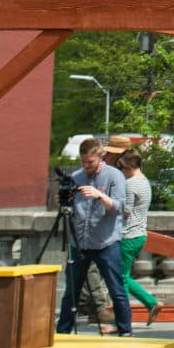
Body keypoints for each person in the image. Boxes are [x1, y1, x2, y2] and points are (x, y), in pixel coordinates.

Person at [57, 138, 132, 337]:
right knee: (71, 291)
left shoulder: (114, 175)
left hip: (106, 242)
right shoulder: (76, 176)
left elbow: (120, 208)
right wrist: (63, 201)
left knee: (116, 289)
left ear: (101, 156)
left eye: (90, 162)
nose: (86, 166)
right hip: (80, 242)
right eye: (83, 162)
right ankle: (62, 331)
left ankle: (125, 330)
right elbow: (71, 207)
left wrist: (99, 195)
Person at [110, 148, 160, 326]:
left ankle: (122, 321)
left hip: (128, 235)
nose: (121, 172)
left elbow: (126, 212)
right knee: (122, 276)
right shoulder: (144, 181)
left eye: (122, 168)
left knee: (119, 278)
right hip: (139, 234)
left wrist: (107, 203)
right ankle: (151, 303)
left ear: (129, 167)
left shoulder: (131, 183)